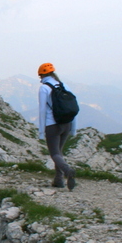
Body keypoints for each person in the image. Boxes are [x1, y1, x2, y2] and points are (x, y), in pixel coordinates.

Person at [37, 62, 77, 190]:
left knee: (54, 154)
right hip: (67, 124)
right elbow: (73, 107)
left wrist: (41, 131)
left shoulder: (44, 88)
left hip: (52, 125)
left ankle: (67, 171)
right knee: (59, 153)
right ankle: (58, 180)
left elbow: (42, 110)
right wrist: (73, 128)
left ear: (41, 76)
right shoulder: (64, 85)